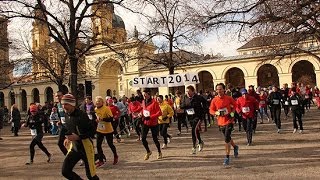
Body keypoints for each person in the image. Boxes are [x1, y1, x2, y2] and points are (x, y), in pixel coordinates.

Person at [61, 94, 99, 180]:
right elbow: (70, 127)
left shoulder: (81, 115)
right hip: (74, 147)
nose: (64, 106)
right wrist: (67, 138)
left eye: (66, 104)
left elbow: (92, 131)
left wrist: (79, 137)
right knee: (65, 171)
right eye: (62, 104)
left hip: (86, 147)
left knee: (91, 176)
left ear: (72, 104)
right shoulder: (66, 114)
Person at [210, 83, 239, 166]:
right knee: (228, 137)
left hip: (229, 120)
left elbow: (235, 105)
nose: (219, 91)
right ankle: (235, 146)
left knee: (226, 138)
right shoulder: (214, 100)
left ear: (224, 90)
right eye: (217, 89)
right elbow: (211, 110)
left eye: (220, 89)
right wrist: (215, 112)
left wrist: (232, 113)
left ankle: (227, 157)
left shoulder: (229, 98)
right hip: (220, 121)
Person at [180, 85, 206, 154]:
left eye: (189, 91)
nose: (188, 93)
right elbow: (182, 105)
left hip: (198, 116)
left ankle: (194, 147)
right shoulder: (184, 97)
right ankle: (200, 142)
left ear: (193, 91)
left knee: (193, 130)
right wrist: (184, 106)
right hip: (190, 116)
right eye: (186, 91)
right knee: (196, 130)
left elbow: (205, 103)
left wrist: (203, 112)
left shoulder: (198, 97)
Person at [95, 96, 118, 168]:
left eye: (99, 101)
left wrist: (102, 119)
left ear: (102, 102)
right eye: (96, 101)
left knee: (110, 144)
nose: (97, 102)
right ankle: (101, 160)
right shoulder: (95, 109)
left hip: (108, 129)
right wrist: (96, 120)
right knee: (98, 145)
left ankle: (115, 155)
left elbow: (111, 119)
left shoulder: (106, 108)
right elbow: (96, 118)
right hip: (100, 129)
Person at [141, 88, 162, 160]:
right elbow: (143, 109)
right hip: (145, 122)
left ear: (149, 94)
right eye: (143, 95)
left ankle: (159, 152)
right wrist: (141, 114)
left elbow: (159, 113)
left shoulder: (154, 103)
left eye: (145, 94)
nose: (144, 96)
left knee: (155, 139)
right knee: (143, 138)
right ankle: (148, 151)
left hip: (153, 123)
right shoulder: (143, 102)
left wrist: (150, 117)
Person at [55, 91, 68, 155]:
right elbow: (60, 115)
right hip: (63, 126)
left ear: (62, 96)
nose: (58, 97)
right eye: (56, 96)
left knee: (75, 143)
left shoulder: (66, 103)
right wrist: (59, 121)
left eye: (59, 95)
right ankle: (68, 156)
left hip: (69, 125)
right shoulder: (58, 105)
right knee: (60, 143)